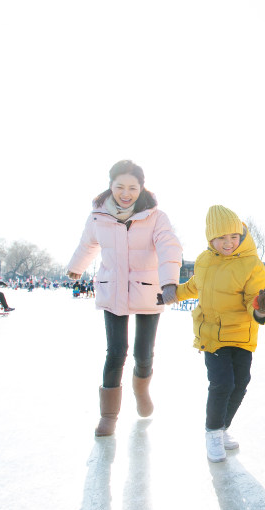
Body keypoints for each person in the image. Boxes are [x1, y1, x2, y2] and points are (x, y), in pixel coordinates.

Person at [67, 160, 182, 437]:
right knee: (116, 352)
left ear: (142, 187)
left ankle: (141, 390)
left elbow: (169, 246)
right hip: (113, 288)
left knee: (143, 354)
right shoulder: (98, 216)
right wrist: (76, 266)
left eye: (132, 187)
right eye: (120, 187)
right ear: (111, 185)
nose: (126, 193)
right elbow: (88, 243)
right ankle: (108, 415)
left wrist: (169, 282)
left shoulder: (156, 216)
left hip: (148, 288)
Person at [172, 205, 265, 463]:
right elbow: (196, 286)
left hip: (242, 334)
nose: (228, 243)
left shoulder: (252, 264)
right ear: (210, 239)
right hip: (212, 334)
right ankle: (213, 433)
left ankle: (223, 426)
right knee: (222, 384)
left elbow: (253, 297)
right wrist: (174, 293)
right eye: (221, 238)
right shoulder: (204, 260)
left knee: (240, 383)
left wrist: (261, 309)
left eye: (233, 237)